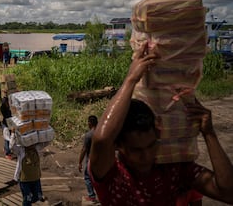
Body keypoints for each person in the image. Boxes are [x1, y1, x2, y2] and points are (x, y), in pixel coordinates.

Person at [89, 42, 233, 205]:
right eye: (136, 150)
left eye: (151, 146)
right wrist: (130, 80)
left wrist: (209, 134)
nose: (146, 156)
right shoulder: (110, 174)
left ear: (158, 134)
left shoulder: (173, 170)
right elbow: (101, 139)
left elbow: (228, 192)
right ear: (118, 146)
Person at [9, 134, 48, 206]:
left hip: (36, 178)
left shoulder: (36, 148)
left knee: (38, 196)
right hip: (24, 180)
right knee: (28, 198)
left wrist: (45, 130)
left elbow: (47, 142)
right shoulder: (21, 150)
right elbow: (12, 146)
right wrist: (13, 134)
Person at [78, 115, 99, 204]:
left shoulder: (88, 135)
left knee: (87, 177)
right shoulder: (101, 133)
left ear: (89, 123)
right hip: (100, 160)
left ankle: (92, 196)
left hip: (90, 160)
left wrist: (79, 162)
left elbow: (84, 149)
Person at [0, 91, 13, 159]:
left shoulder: (10, 102)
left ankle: (7, 150)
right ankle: (7, 151)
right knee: (8, 137)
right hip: (8, 121)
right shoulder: (5, 103)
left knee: (9, 137)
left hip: (9, 121)